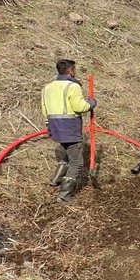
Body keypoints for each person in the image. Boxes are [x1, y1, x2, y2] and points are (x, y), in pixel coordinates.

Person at [41, 59, 96, 203]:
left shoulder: (48, 87)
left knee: (67, 153)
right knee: (76, 162)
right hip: (70, 128)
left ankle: (56, 179)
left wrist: (49, 126)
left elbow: (44, 109)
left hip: (55, 127)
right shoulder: (73, 86)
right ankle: (64, 195)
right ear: (71, 71)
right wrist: (91, 104)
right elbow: (80, 107)